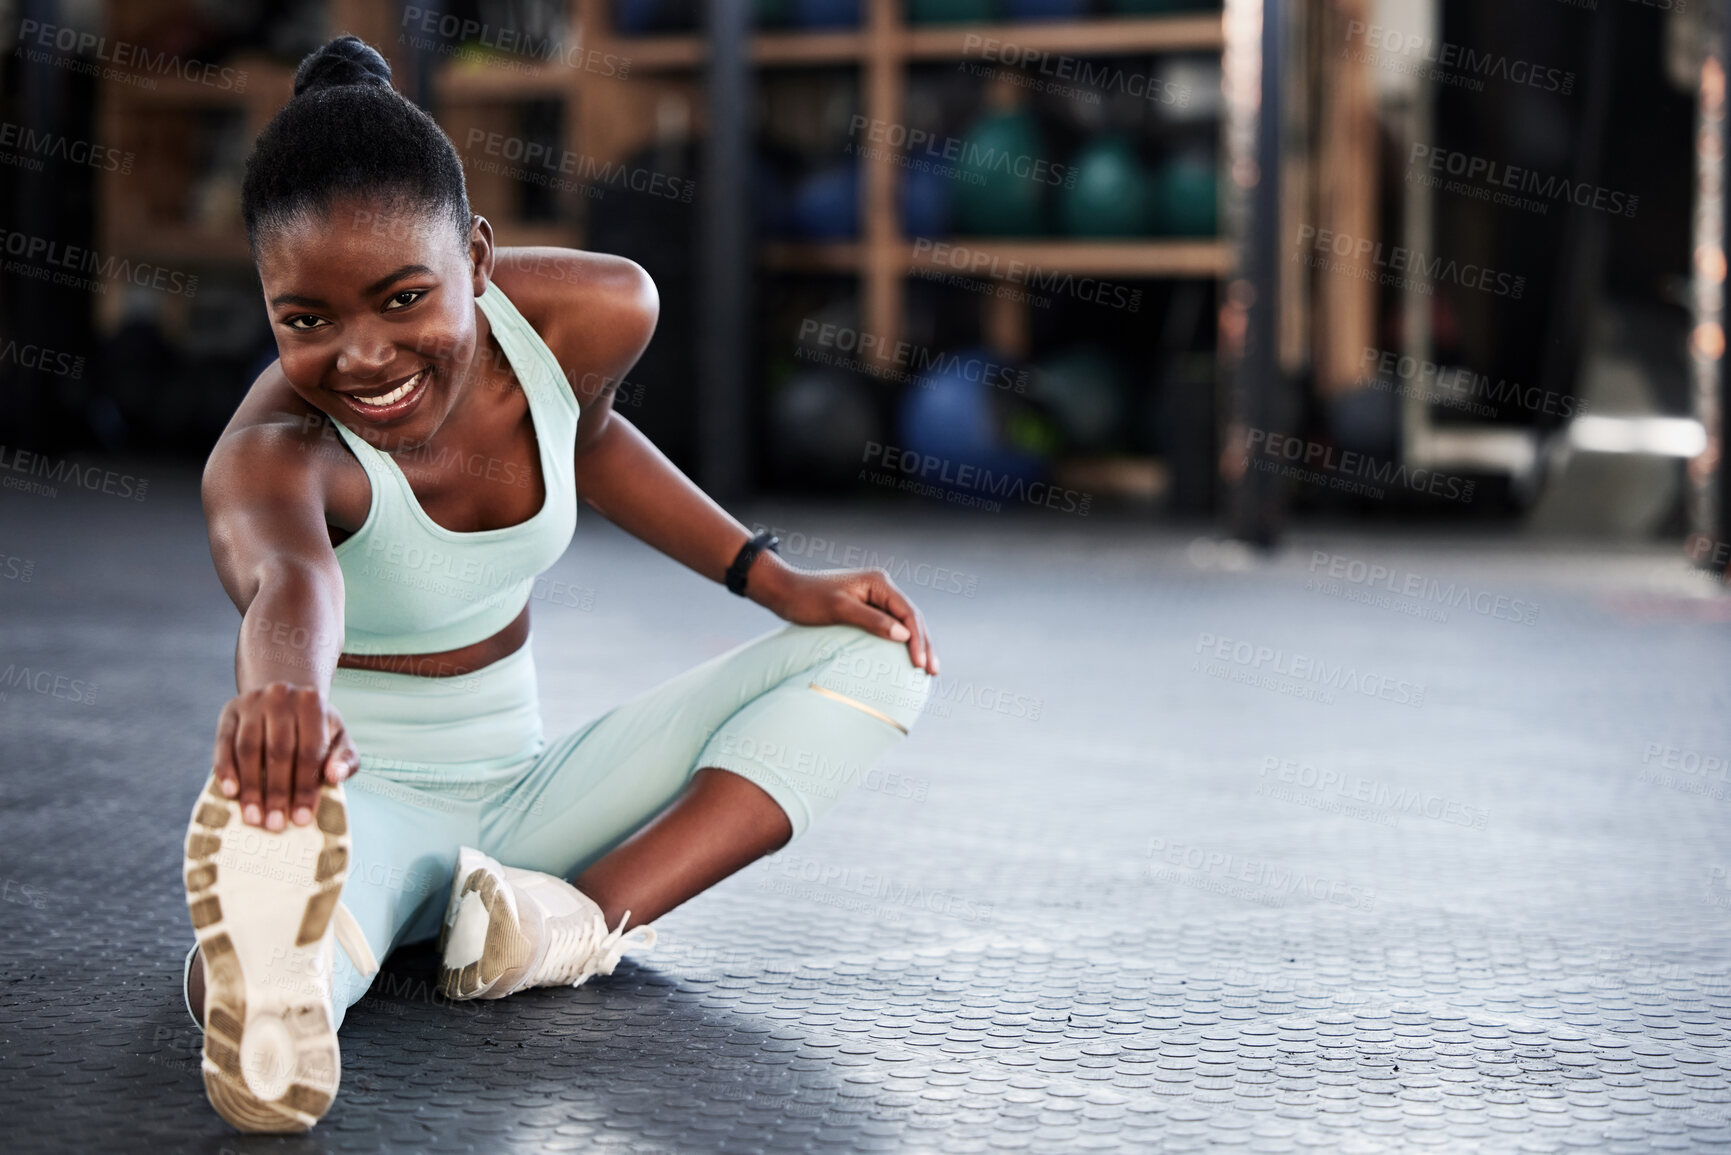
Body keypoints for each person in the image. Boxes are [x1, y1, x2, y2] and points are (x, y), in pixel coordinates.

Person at [181, 34, 937, 1133]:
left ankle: (568, 919)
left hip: (527, 796)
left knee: (881, 649)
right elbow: (290, 584)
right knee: (293, 960)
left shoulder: (594, 313)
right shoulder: (271, 455)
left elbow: (586, 437)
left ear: (478, 261)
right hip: (358, 800)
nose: (364, 357)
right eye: (306, 321)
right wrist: (281, 698)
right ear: (267, 304)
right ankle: (269, 982)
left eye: (402, 299)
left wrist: (774, 581)